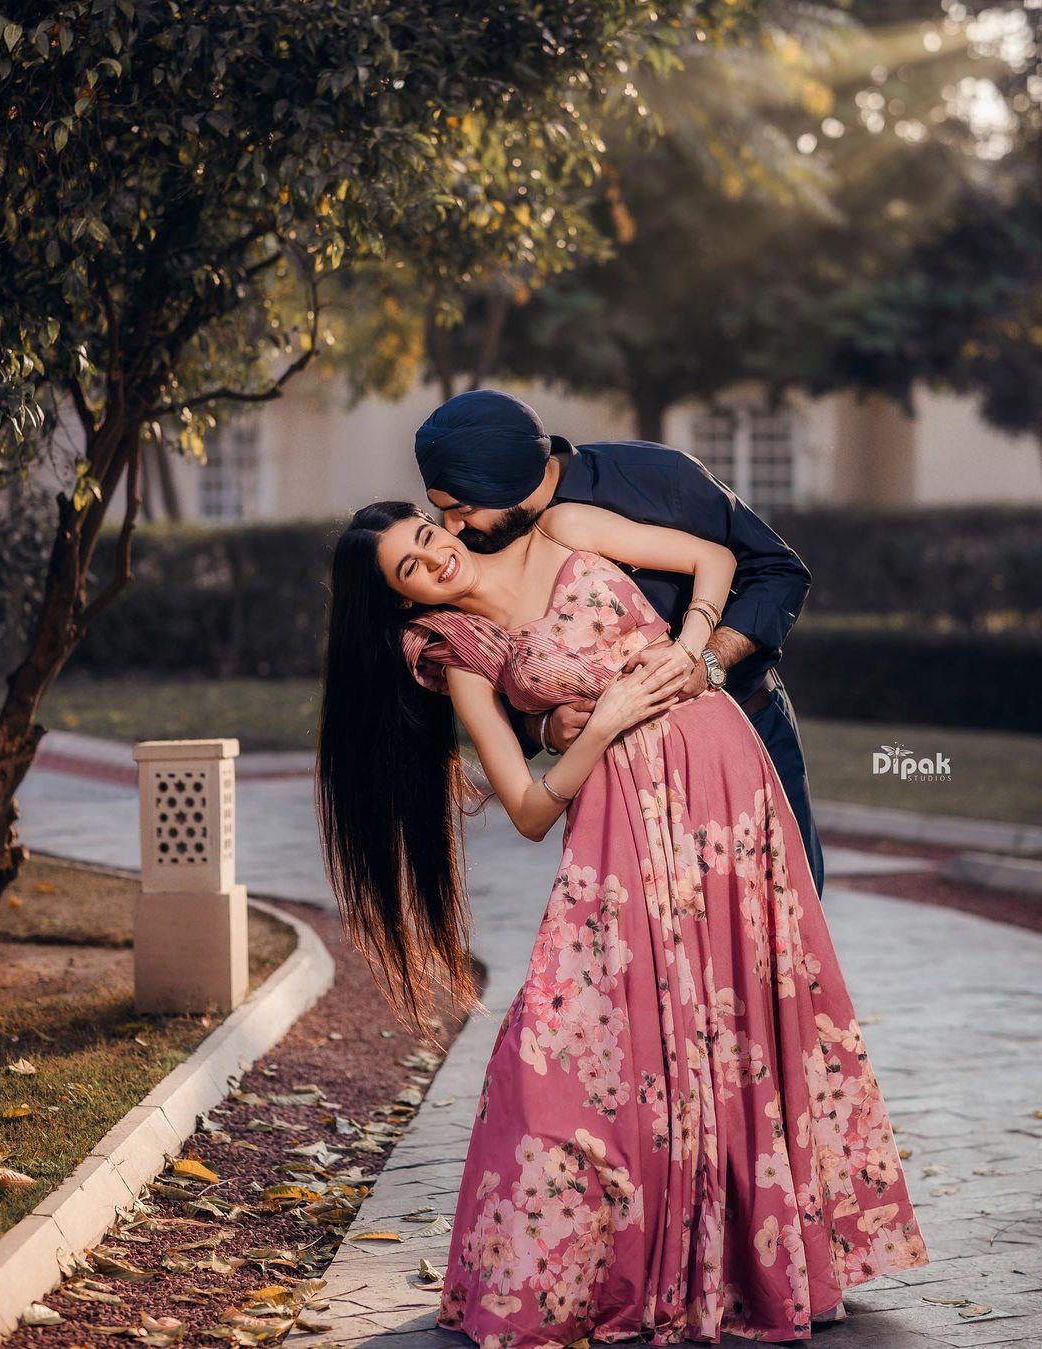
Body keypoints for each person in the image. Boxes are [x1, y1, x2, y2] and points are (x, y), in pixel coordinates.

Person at [315, 499, 928, 1347]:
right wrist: (599, 725)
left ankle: (763, 1261)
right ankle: (588, 1269)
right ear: (404, 602)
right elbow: (529, 808)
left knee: (745, 1011)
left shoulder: (561, 528)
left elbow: (713, 556)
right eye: (409, 570)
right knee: (570, 1036)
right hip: (615, 820)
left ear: (442, 521)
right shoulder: (461, 655)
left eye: (426, 538)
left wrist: (692, 656)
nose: (433, 560)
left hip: (723, 776)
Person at [414, 387, 825, 896]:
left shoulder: (660, 478)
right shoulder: (479, 547)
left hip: (745, 723)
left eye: (461, 508)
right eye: (442, 511)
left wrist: (706, 660)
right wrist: (543, 727)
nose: (452, 527)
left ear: (509, 481)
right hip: (630, 783)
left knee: (783, 927)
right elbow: (501, 673)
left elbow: (777, 570)